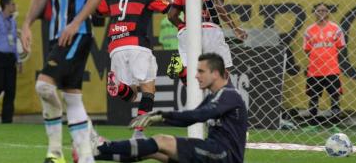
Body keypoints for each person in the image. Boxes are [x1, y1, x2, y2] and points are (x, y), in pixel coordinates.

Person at [21, 0, 108, 163]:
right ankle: (86, 155)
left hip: (77, 33)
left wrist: (75, 22)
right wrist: (26, 23)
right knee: (72, 97)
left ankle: (55, 152)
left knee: (44, 86)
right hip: (55, 35)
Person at [95, 53, 248, 163]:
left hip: (223, 156)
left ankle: (103, 147)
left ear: (215, 73)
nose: (196, 76)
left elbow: (199, 115)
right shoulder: (214, 96)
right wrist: (161, 117)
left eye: (201, 71)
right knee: (151, 150)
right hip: (214, 152)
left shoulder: (229, 95)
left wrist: (162, 115)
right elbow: (189, 119)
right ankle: (94, 155)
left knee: (161, 140)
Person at [97, 0, 172, 138]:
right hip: (138, 45)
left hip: (115, 45)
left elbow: (100, 10)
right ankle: (138, 133)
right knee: (148, 90)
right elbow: (172, 8)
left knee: (130, 94)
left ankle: (119, 85)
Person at [167, 0, 247, 85]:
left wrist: (182, 27)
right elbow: (217, 4)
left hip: (188, 31)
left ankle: (182, 72)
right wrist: (235, 28)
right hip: (210, 29)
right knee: (222, 72)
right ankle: (223, 98)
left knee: (194, 79)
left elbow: (171, 15)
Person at [303, 3, 346, 132]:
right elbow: (306, 49)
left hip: (332, 68)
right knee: (313, 96)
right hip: (315, 69)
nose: (321, 12)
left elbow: (341, 45)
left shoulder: (335, 28)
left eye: (324, 10)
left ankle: (335, 124)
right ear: (315, 13)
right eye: (319, 10)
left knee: (334, 96)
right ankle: (313, 124)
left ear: (328, 12)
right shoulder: (309, 30)